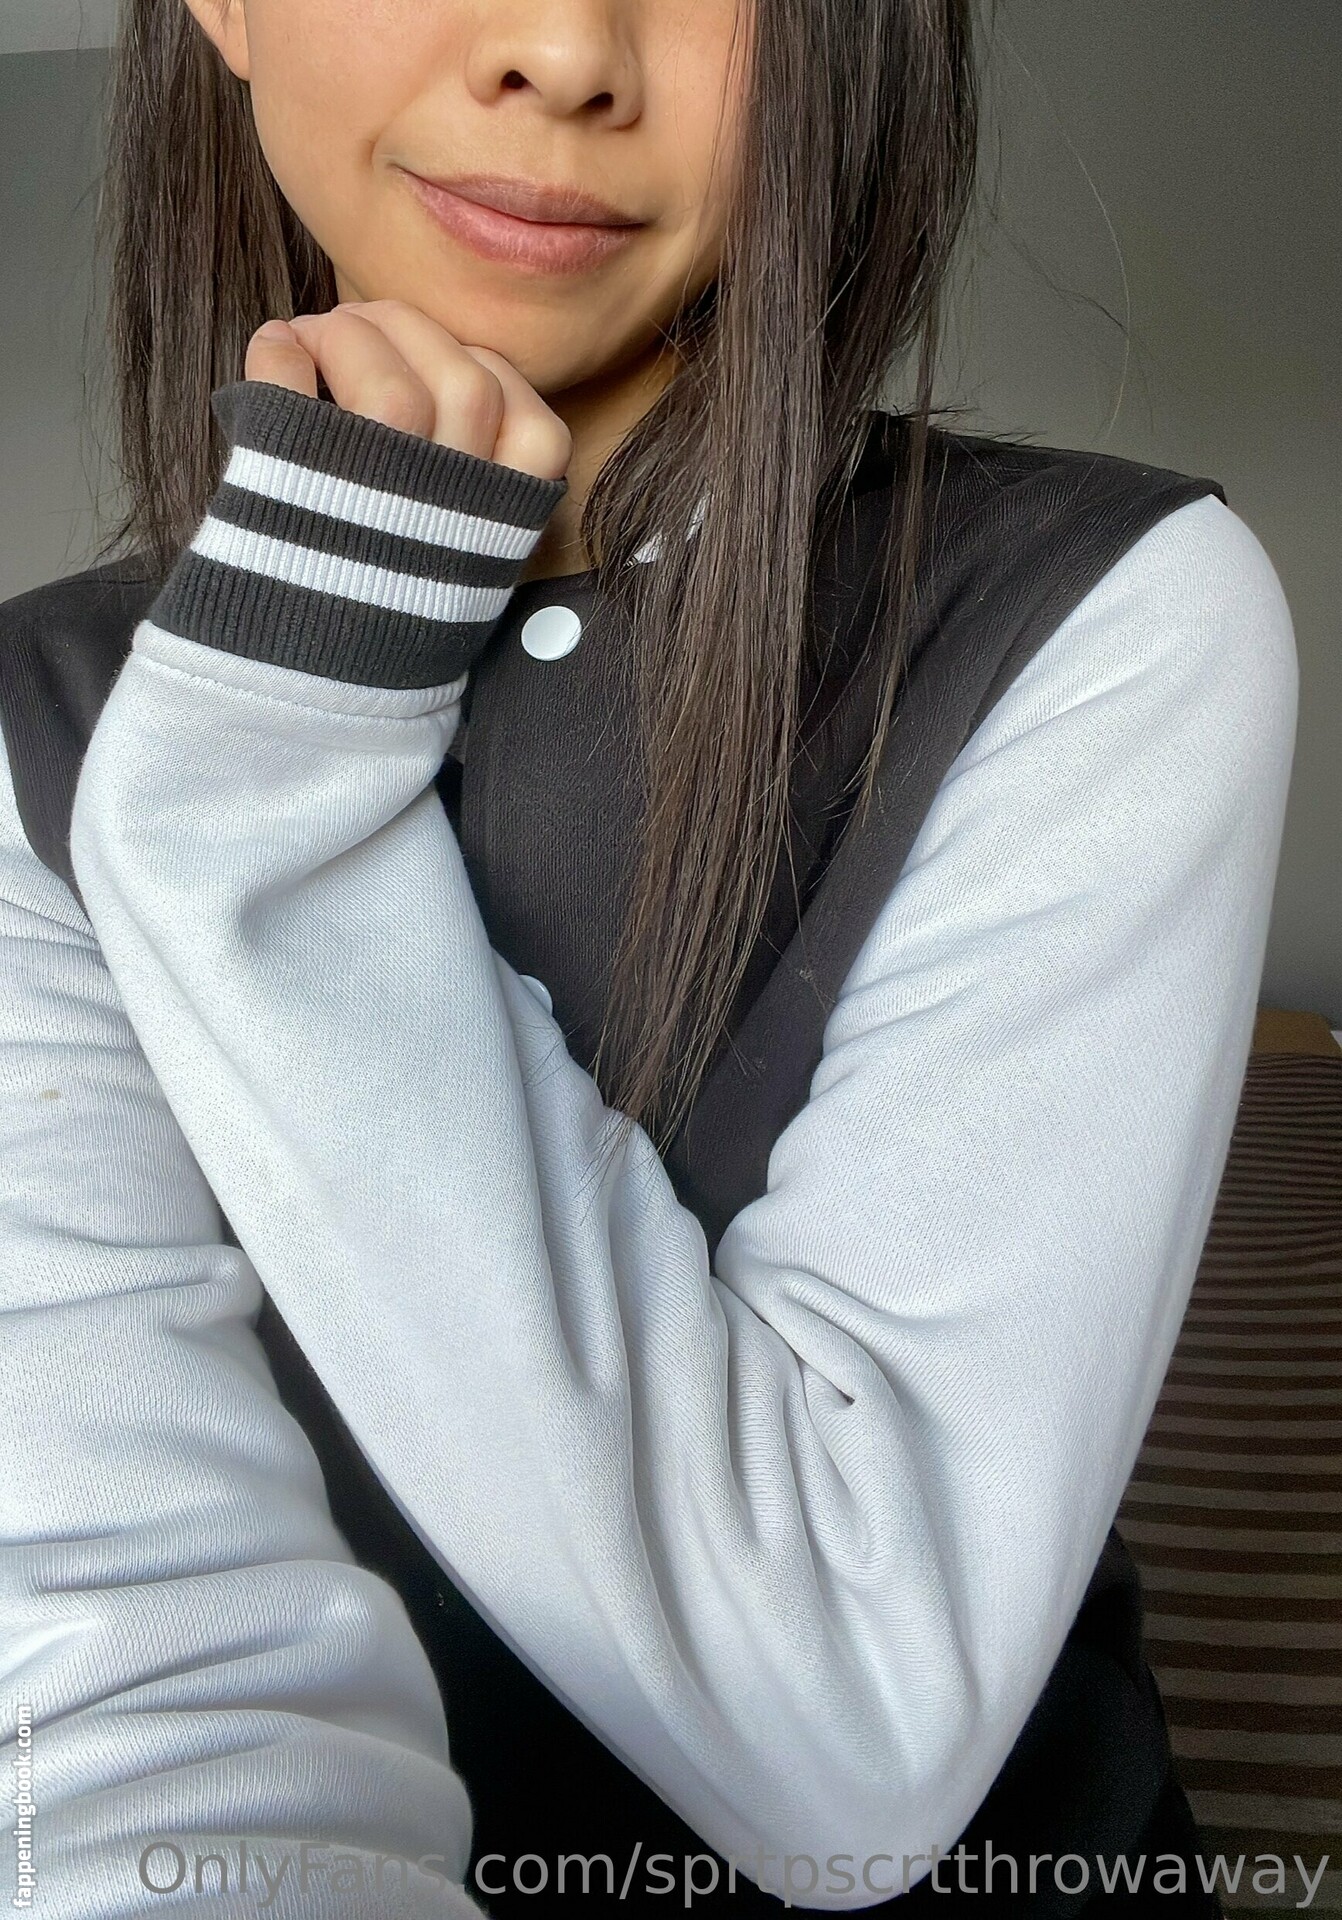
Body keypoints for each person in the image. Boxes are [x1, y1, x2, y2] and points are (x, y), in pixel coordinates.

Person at [0, 0, 1297, 1912]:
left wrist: (259, 801)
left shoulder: (1102, 608)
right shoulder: (36, 713)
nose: (560, 49)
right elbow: (123, 1676)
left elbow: (847, 1721)